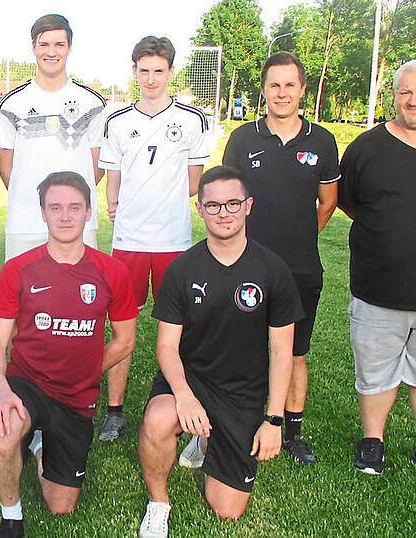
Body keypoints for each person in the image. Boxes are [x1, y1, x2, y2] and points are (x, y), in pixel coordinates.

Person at [137, 166, 303, 537]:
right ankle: (158, 504)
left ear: (248, 206)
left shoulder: (273, 271)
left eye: (232, 203)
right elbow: (166, 345)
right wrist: (184, 396)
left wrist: (274, 420)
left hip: (242, 392)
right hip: (191, 379)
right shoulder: (182, 269)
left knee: (227, 510)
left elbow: (281, 351)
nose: (223, 212)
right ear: (199, 209)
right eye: (213, 205)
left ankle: (205, 438)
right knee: (159, 419)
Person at [0, 171, 138, 537]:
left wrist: (88, 370)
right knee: (4, 433)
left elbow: (125, 340)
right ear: (43, 213)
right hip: (27, 382)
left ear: (88, 212)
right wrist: (1, 390)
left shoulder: (111, 271)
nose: (65, 216)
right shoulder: (17, 269)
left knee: (61, 507)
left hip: (75, 397)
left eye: (74, 207)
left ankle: (38, 444)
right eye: (55, 207)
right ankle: (12, 518)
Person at [222, 52, 340, 465]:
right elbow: (228, 200)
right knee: (242, 347)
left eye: (290, 85)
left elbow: (327, 203)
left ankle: (293, 433)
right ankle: (235, 423)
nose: (282, 93)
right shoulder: (243, 138)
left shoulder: (322, 141)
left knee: (294, 352)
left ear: (303, 89)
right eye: (274, 85)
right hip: (246, 266)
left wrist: (299, 237)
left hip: (301, 269)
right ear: (264, 90)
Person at [97, 36, 209, 442]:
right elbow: (113, 176)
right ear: (134, 72)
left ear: (171, 73)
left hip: (174, 243)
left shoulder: (193, 120)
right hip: (128, 242)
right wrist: (115, 203)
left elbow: (195, 182)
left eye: (158, 70)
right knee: (121, 327)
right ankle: (114, 411)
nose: (150, 78)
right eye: (143, 70)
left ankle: (180, 405)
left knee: (180, 330)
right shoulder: (118, 120)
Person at [338, 59, 416, 475]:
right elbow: (347, 203)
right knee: (375, 372)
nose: (413, 100)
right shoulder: (366, 148)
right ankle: (373, 442)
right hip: (377, 288)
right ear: (394, 96)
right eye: (406, 92)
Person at [0, 14, 108, 260]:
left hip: (78, 224)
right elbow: (7, 171)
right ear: (33, 47)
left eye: (59, 44)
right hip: (25, 223)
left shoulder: (93, 103)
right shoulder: (10, 104)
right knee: (25, 296)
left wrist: (69, 203)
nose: (51, 52)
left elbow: (96, 168)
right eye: (44, 44)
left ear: (69, 48)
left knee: (81, 296)